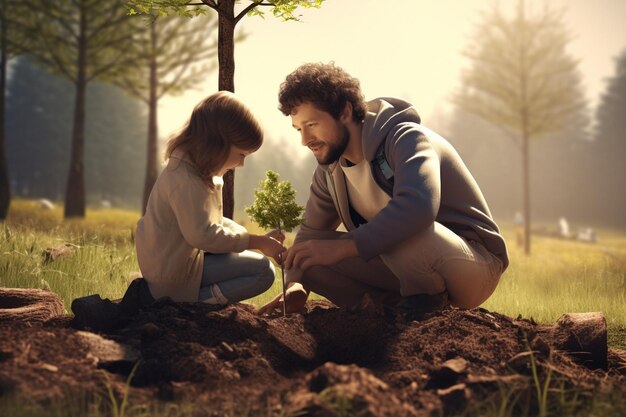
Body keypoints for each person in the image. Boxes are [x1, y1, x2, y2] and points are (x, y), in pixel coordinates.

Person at [259, 62, 509, 316]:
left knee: (406, 231)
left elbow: (418, 209)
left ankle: (427, 305)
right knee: (308, 256)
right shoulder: (329, 171)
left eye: (312, 124)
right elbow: (310, 238)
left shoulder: (406, 138)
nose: (304, 140)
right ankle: (392, 310)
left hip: (473, 267)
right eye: (299, 129)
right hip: (405, 267)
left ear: (344, 112)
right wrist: (296, 284)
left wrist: (344, 246)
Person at [134, 91, 285, 307]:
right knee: (263, 272)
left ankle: (203, 299)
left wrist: (256, 239)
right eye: (241, 154)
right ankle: (190, 304)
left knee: (261, 268)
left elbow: (212, 222)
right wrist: (256, 242)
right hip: (172, 276)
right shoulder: (185, 181)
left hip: (184, 265)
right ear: (217, 145)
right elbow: (202, 235)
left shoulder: (198, 174)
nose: (241, 165)